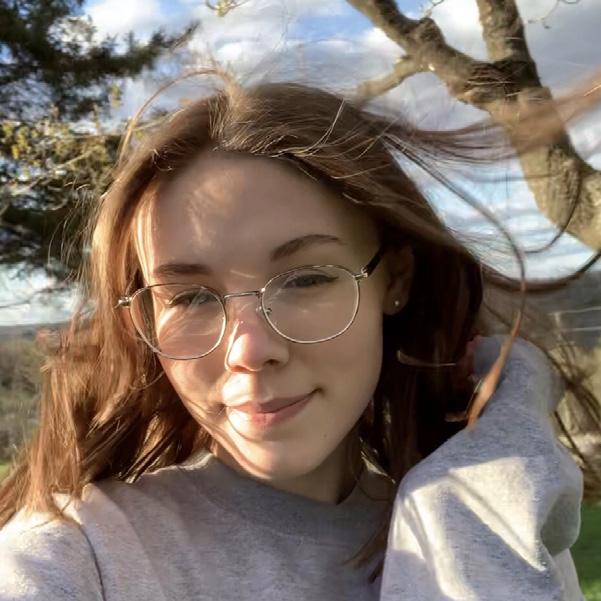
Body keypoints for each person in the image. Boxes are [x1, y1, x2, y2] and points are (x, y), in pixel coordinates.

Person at [0, 69, 599, 601]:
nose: (250, 350)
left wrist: (469, 496)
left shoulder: (493, 524)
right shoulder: (81, 555)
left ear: (395, 280)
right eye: (189, 297)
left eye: (306, 279)